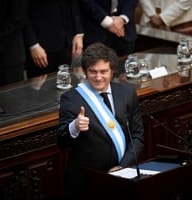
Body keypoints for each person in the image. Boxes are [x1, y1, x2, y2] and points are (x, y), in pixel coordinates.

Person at [57, 42, 144, 199]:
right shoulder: (70, 99)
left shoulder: (127, 93)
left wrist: (122, 166)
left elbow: (137, 135)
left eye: (103, 71)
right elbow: (61, 142)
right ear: (85, 71)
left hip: (123, 176)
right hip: (87, 182)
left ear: (112, 72)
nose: (98, 77)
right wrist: (74, 127)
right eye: (93, 72)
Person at [23, 0, 84, 79]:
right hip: (40, 47)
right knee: (39, 88)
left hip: (67, 42)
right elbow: (22, 13)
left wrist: (78, 33)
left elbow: (74, 4)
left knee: (64, 85)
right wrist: (33, 44)